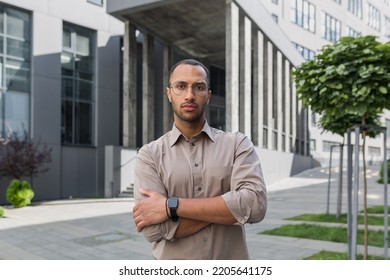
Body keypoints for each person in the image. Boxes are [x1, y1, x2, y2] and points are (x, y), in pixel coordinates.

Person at [132, 58, 267, 260]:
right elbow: (152, 230)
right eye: (181, 86)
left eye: (199, 87)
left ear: (208, 95)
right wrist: (227, 207)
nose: (189, 95)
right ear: (169, 93)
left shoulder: (237, 144)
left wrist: (171, 207)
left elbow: (255, 205)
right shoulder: (149, 155)